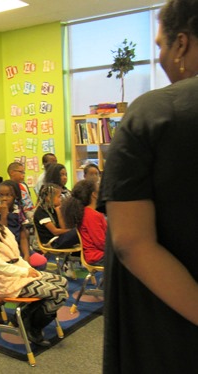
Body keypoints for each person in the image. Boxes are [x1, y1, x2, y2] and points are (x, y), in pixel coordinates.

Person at [98, 1, 198, 371]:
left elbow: (132, 243)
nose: (159, 56)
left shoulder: (154, 113)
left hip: (166, 326)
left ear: (182, 44)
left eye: (160, 46)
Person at [0, 187, 68, 346]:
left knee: (62, 282)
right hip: (5, 279)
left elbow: (11, 248)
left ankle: (23, 317)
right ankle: (32, 328)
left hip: (16, 271)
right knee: (59, 294)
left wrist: (25, 268)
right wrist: (24, 271)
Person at [0, 181, 47, 270]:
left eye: (8, 195)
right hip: (5, 250)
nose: (4, 198)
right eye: (1, 195)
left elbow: (23, 235)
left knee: (41, 262)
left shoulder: (17, 209)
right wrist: (4, 216)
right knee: (18, 268)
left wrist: (27, 255)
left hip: (19, 247)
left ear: (16, 196)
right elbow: (3, 236)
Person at [62, 179, 106, 266]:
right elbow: (101, 243)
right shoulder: (92, 215)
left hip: (98, 254)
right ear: (94, 194)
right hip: (97, 256)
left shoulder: (87, 212)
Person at [34, 183, 79, 250]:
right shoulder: (41, 212)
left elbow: (63, 227)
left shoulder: (54, 209)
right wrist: (73, 231)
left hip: (59, 238)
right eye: (58, 197)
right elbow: (55, 231)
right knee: (78, 232)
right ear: (49, 198)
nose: (60, 199)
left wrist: (59, 212)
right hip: (52, 243)